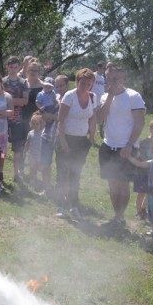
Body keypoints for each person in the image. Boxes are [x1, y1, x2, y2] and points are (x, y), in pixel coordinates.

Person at [97, 63, 145, 228]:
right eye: (109, 78)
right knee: (112, 182)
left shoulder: (133, 96)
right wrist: (110, 96)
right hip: (108, 146)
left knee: (122, 184)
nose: (112, 81)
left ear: (123, 77)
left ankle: (120, 217)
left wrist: (130, 145)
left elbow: (139, 123)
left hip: (126, 148)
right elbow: (100, 118)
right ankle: (116, 216)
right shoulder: (105, 96)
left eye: (115, 78)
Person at [55, 68, 96, 220]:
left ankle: (74, 205)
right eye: (82, 82)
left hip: (81, 142)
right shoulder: (69, 96)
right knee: (62, 173)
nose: (85, 85)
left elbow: (92, 118)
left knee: (75, 174)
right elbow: (61, 120)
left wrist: (91, 136)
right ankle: (60, 205)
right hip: (65, 138)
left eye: (88, 83)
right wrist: (64, 142)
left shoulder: (92, 97)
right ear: (77, 81)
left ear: (91, 84)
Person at [3, 56, 29, 182]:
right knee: (1, 147)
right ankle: (0, 172)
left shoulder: (23, 82)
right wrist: (14, 101)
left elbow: (25, 101)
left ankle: (16, 173)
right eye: (10, 67)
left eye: (15, 67)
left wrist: (8, 100)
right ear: (7, 67)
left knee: (17, 149)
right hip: (3, 119)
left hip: (18, 120)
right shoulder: (2, 82)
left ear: (19, 67)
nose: (13, 70)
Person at [24, 112, 45, 190]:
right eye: (34, 124)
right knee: (32, 168)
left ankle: (43, 181)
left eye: (37, 124)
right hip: (32, 154)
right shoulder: (30, 133)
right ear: (31, 124)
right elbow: (27, 143)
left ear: (41, 124)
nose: (35, 126)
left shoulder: (43, 133)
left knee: (41, 168)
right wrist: (25, 151)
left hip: (40, 154)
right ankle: (32, 180)